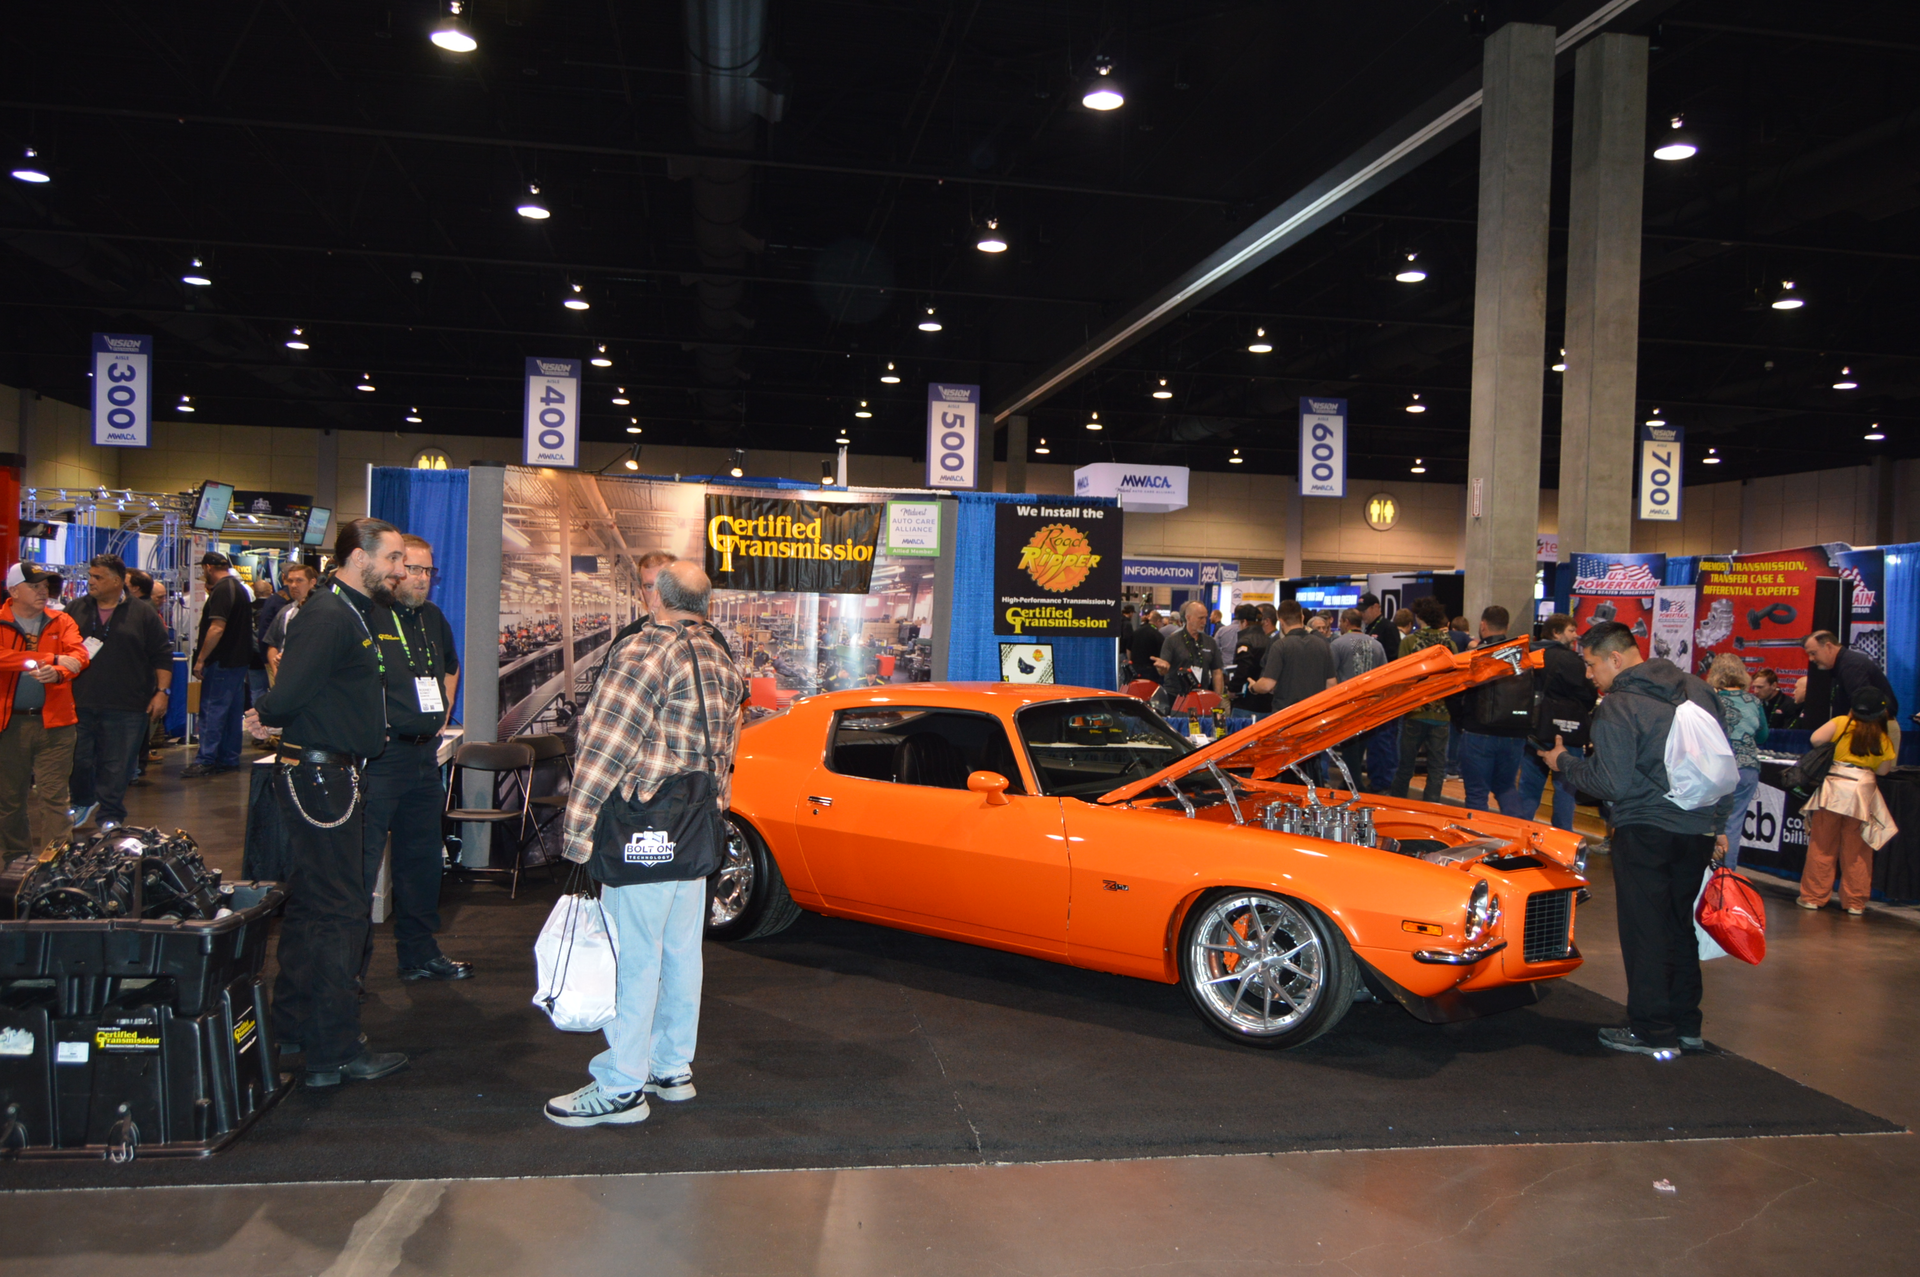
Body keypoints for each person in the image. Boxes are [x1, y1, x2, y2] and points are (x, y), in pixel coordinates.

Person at [546, 562, 746, 1128]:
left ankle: (621, 1085)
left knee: (631, 957)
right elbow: (724, 751)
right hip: (693, 828)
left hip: (640, 827)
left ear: (654, 597)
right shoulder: (718, 656)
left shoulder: (646, 652)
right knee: (682, 953)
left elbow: (605, 748)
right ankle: (670, 1068)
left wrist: (579, 832)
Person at [244, 518, 410, 1088]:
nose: (400, 571)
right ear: (358, 557)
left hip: (324, 776)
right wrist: (264, 713)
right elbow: (288, 692)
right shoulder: (330, 614)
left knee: (315, 906)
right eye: (392, 559)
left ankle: (293, 1027)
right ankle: (332, 1050)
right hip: (321, 780)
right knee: (339, 912)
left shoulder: (346, 612)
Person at [1541, 620, 1733, 1059]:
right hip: (1697, 830)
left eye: (1591, 665)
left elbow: (1611, 783)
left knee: (1645, 932)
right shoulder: (1698, 689)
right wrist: (1717, 824)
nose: (1589, 676)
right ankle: (1687, 1028)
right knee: (1679, 928)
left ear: (1616, 658)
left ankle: (1651, 1030)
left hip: (1645, 831)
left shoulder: (1618, 705)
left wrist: (1564, 762)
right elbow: (1725, 763)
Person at [358, 534, 469, 983]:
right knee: (361, 868)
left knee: (422, 862)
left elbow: (450, 665)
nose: (420, 579)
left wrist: (441, 712)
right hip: (378, 758)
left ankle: (419, 954)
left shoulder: (433, 618)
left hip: (423, 759)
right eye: (413, 568)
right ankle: (350, 971)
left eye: (428, 571)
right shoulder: (368, 614)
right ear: (396, 567)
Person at [64, 554, 171, 831]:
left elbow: (161, 655)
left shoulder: (143, 613)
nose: (91, 581)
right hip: (80, 700)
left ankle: (110, 814)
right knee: (79, 758)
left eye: (97, 577)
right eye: (90, 575)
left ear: (117, 580)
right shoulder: (75, 608)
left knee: (118, 764)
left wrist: (162, 691)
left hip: (128, 704)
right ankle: (83, 800)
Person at [0, 562, 89, 856]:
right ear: (13, 590)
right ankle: (15, 864)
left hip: (57, 725)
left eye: (45, 586)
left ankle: (55, 865)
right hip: (9, 725)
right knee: (9, 801)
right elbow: (4, 657)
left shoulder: (61, 620)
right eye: (34, 586)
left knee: (55, 799)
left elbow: (78, 655)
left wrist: (59, 673)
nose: (43, 591)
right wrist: (49, 659)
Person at [1799, 688, 1901, 915]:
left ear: (1853, 707)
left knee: (1822, 845)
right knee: (1857, 850)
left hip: (1833, 789)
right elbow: (1884, 770)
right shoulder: (1882, 736)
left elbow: (1815, 738)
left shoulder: (1841, 723)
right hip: (1862, 793)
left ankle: (1813, 897)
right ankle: (1855, 902)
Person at [1514, 613, 1592, 831]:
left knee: (1528, 789)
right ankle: (1562, 840)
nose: (1576, 636)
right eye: (1571, 631)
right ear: (1556, 632)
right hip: (1568, 733)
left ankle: (1520, 836)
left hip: (1535, 730)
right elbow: (1587, 694)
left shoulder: (1529, 654)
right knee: (1566, 790)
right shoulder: (1571, 661)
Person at [1454, 606, 1531, 815]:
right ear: (1506, 627)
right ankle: (1516, 838)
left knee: (1477, 793)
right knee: (1506, 788)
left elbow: (1456, 693)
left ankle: (1480, 843)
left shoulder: (1476, 655)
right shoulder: (1522, 655)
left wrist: (1461, 722)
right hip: (1514, 733)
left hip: (1478, 732)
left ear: (1483, 625)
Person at [182, 551, 253, 778]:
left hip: (222, 661)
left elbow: (216, 628)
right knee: (232, 712)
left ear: (208, 568)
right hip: (238, 662)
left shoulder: (222, 590)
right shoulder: (239, 588)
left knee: (212, 710)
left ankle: (206, 759)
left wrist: (201, 659)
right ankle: (229, 757)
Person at [1391, 597, 1458, 803]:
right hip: (1441, 713)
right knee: (1437, 767)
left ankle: (1397, 805)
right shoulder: (1450, 644)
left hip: (1415, 711)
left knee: (1405, 765)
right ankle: (1431, 808)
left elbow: (1400, 677)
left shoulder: (1410, 642)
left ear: (1418, 617)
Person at [1706, 654, 1767, 871]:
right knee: (1733, 824)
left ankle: (1706, 875)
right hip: (1748, 767)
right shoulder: (1754, 701)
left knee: (1710, 823)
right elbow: (1762, 735)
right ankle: (1726, 876)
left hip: (1719, 768)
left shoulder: (1712, 699)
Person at [1330, 609, 1388, 789]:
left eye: (1340, 623)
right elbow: (1384, 675)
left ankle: (1356, 786)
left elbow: (1330, 674)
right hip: (1369, 704)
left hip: (1346, 704)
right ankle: (1348, 785)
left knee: (1348, 748)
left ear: (1346, 622)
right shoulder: (1377, 645)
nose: (1339, 626)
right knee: (1359, 745)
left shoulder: (1337, 644)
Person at [1250, 600, 1335, 717]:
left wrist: (1253, 687)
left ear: (1280, 620)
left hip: (1286, 715)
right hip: (1315, 713)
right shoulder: (1322, 644)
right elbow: (1331, 684)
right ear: (1302, 617)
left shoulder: (1280, 646)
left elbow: (1267, 685)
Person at [1796, 631, 1897, 724]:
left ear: (1828, 647)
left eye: (1813, 653)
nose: (1811, 659)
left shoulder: (1851, 666)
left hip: (1874, 728)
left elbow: (1862, 705)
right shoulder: (1842, 664)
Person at [1151, 601, 1226, 712]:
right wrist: (1162, 668)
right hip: (1176, 698)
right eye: (1200, 618)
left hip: (1201, 698)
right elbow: (1163, 670)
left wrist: (1217, 699)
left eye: (1205, 618)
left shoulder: (1210, 642)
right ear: (1188, 618)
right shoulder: (1172, 640)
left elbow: (1217, 672)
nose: (1204, 622)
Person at [249, 567, 297, 708]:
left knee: (257, 690)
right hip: (276, 657)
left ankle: (259, 719)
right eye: (292, 580)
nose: (295, 585)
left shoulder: (269, 602)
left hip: (256, 655)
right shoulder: (283, 605)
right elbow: (270, 635)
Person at [610, 551, 677, 648]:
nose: (657, 595)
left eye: (665, 584)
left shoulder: (699, 637)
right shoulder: (625, 641)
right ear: (641, 593)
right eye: (650, 587)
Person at [263, 564, 319, 680]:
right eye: (290, 581)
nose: (293, 585)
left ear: (312, 582)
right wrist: (275, 671)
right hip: (284, 676)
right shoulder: (286, 611)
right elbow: (272, 643)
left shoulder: (322, 611)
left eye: (299, 581)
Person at [1125, 609, 1164, 684]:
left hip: (1135, 667)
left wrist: (1131, 662)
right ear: (1158, 621)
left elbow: (1128, 649)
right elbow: (1162, 654)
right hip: (1151, 671)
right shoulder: (1157, 635)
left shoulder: (1136, 631)